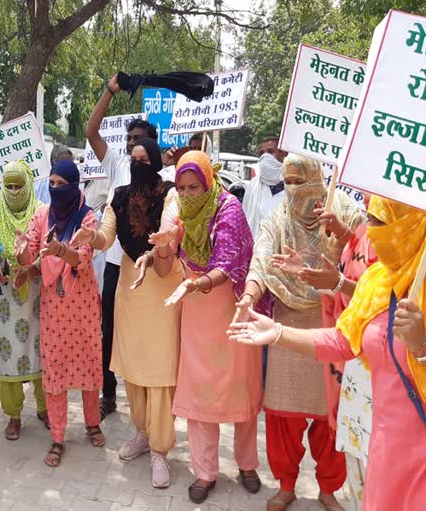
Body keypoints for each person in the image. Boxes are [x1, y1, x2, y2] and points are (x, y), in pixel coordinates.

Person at [229, 195, 426, 511]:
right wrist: (278, 333)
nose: (371, 233)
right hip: (384, 440)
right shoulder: (378, 279)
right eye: (370, 221)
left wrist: (422, 347)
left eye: (380, 223)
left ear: (410, 225)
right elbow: (343, 342)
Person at [236, 154, 365, 511]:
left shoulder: (347, 212)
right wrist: (248, 296)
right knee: (282, 415)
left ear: (316, 180)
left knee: (330, 417)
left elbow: (367, 267)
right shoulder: (279, 217)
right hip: (286, 324)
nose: (293, 190)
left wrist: (341, 234)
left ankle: (328, 489)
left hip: (334, 323)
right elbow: (261, 260)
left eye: (299, 181)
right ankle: (287, 484)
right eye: (287, 182)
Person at [149, 150, 263, 503]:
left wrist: (197, 284)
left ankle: (246, 464)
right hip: (196, 310)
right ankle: (205, 472)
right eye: (181, 187)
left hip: (232, 304)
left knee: (239, 387)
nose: (186, 194)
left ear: (209, 182)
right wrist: (164, 248)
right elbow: (165, 266)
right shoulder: (179, 211)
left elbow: (227, 261)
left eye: (193, 186)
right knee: (199, 389)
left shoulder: (228, 208)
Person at [71, 139, 183, 488]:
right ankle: (142, 433)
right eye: (132, 159)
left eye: (144, 159)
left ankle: (160, 450)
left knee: (160, 371)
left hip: (162, 287)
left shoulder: (170, 194)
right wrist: (91, 236)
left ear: (155, 163)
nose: (137, 165)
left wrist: (164, 240)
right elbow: (107, 236)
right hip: (130, 287)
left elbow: (168, 227)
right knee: (134, 368)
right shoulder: (118, 196)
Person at [14, 160, 104, 467]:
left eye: (60, 184)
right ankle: (57, 437)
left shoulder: (87, 217)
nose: (54, 189)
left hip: (83, 306)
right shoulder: (41, 216)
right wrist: (23, 252)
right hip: (54, 308)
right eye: (50, 183)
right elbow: (32, 253)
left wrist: (58, 251)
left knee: (89, 364)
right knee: (55, 369)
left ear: (74, 185)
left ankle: (92, 422)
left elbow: (81, 259)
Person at [86, 74, 159, 419]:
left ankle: (147, 402)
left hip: (152, 269)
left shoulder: (166, 179)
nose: (132, 146)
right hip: (116, 263)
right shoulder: (117, 164)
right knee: (109, 330)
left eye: (140, 140)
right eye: (129, 140)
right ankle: (109, 395)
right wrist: (109, 91)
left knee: (146, 333)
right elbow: (90, 132)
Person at [0, 159, 48, 440]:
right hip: (6, 297)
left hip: (36, 292)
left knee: (39, 349)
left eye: (19, 185)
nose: (14, 191)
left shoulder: (41, 212)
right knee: (9, 352)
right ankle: (13, 415)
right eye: (8, 186)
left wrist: (30, 267)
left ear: (28, 184)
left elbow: (47, 250)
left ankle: (44, 406)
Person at [242, 136, 288, 236]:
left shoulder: (293, 185)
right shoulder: (253, 186)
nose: (265, 156)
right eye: (262, 153)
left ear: (283, 154)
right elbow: (245, 220)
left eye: (271, 151)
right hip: (258, 246)